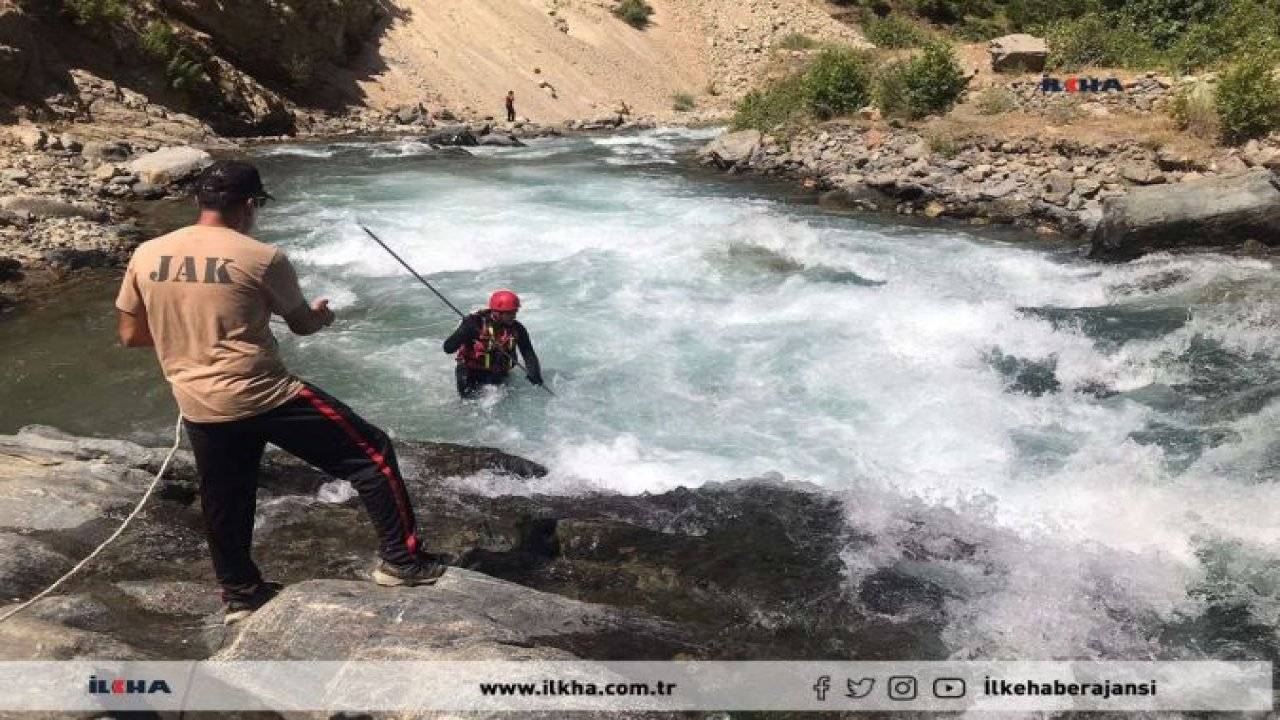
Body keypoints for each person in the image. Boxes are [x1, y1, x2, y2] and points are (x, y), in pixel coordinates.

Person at [115, 160, 446, 625]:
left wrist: (188, 335)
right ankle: (403, 562)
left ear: (198, 200)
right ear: (250, 205)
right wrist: (322, 313)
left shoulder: (147, 253)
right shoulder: (261, 257)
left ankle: (240, 593)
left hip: (197, 401)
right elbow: (303, 326)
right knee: (372, 455)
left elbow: (131, 334)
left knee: (226, 497)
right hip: (265, 393)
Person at [442, 290, 542, 398]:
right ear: (496, 312)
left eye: (515, 312)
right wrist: (465, 330)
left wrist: (534, 372)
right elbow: (448, 348)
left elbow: (528, 353)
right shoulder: (474, 323)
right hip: (470, 371)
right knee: (469, 403)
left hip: (497, 371)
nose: (513, 316)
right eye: (509, 313)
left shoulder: (517, 328)